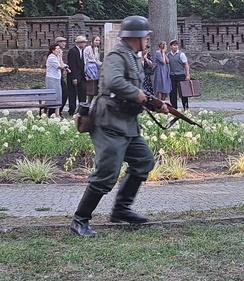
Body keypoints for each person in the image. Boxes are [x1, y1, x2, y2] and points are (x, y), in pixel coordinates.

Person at [69, 16, 171, 238]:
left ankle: (121, 210)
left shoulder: (133, 57)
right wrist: (137, 94)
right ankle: (80, 220)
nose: (147, 40)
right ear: (136, 37)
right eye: (145, 36)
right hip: (109, 123)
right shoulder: (117, 55)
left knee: (144, 160)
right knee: (107, 173)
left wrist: (158, 105)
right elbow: (114, 82)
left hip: (127, 123)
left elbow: (137, 92)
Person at [166, 38, 191, 110]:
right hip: (172, 76)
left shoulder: (181, 54)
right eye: (174, 45)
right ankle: (174, 108)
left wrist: (188, 75)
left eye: (177, 45)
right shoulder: (168, 55)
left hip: (180, 75)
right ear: (171, 46)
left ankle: (186, 108)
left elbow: (186, 65)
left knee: (183, 93)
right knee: (172, 93)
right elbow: (166, 62)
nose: (176, 46)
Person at [67, 35, 88, 116]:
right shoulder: (73, 51)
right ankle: (72, 110)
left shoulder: (82, 51)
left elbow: (82, 64)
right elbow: (72, 65)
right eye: (83, 43)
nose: (85, 44)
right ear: (79, 43)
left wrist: (84, 75)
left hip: (81, 76)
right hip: (74, 76)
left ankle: (82, 110)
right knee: (72, 94)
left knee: (83, 92)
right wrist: (74, 77)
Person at [45, 43, 66, 118]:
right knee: (52, 96)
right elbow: (60, 66)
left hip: (57, 78)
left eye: (59, 49)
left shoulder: (56, 57)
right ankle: (48, 112)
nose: (59, 50)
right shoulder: (51, 58)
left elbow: (63, 64)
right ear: (53, 50)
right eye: (57, 49)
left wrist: (66, 66)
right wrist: (60, 57)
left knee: (58, 95)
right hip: (52, 79)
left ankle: (57, 113)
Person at [83, 35, 102, 104]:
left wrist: (102, 64)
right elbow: (85, 60)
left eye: (98, 40)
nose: (97, 42)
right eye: (96, 40)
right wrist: (85, 73)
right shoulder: (88, 48)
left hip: (94, 68)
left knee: (94, 88)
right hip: (89, 67)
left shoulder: (96, 49)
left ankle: (91, 103)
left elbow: (96, 60)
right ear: (92, 40)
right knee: (90, 88)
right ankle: (87, 104)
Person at [53, 36, 68, 116]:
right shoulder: (55, 53)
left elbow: (61, 63)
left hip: (60, 76)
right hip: (55, 77)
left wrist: (66, 66)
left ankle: (58, 111)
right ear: (58, 43)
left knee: (64, 93)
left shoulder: (60, 52)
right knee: (61, 93)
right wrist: (64, 66)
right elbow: (59, 64)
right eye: (63, 41)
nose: (64, 43)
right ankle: (55, 112)